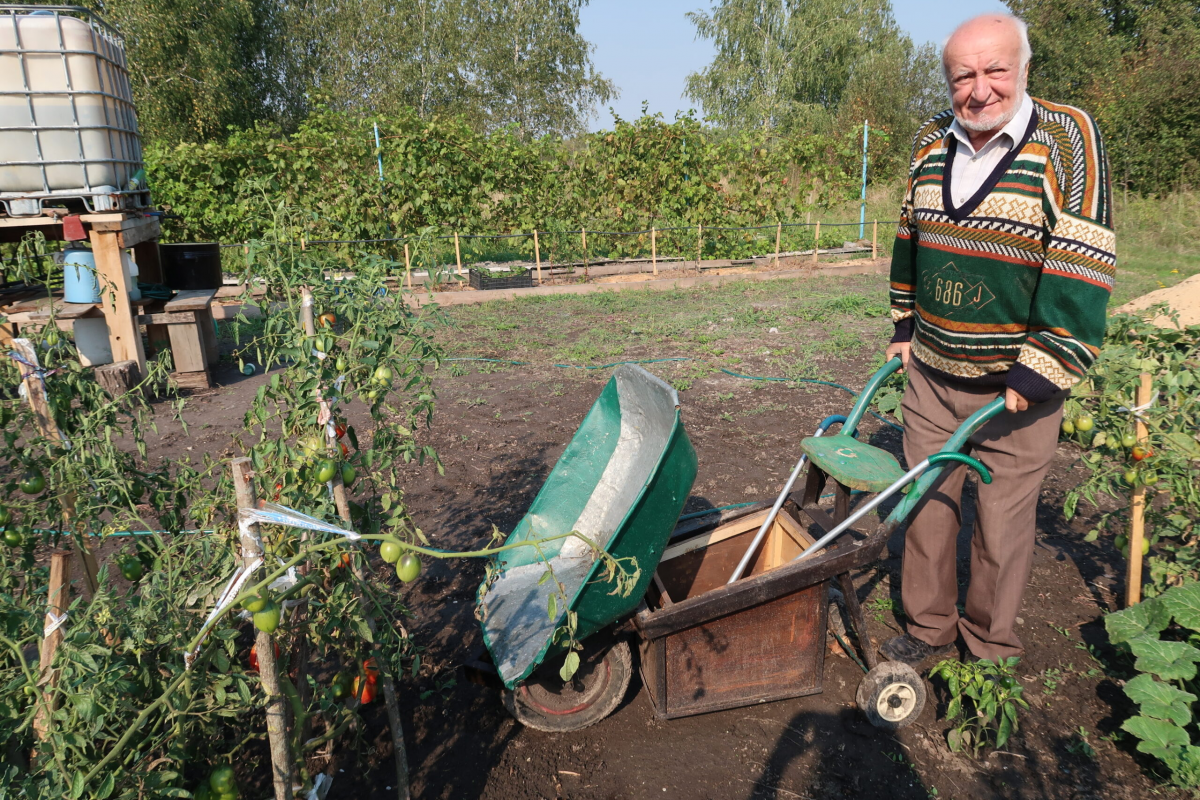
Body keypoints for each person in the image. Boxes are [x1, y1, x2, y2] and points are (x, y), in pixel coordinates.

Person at [880, 13, 1115, 666]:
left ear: (1024, 69)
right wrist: (904, 323)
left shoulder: (1068, 137)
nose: (978, 89)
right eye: (963, 75)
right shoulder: (931, 138)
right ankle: (929, 630)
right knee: (927, 508)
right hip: (933, 370)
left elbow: (1083, 256)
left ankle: (988, 650)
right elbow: (911, 236)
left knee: (1002, 528)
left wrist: (1048, 363)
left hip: (1016, 387)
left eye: (995, 70)